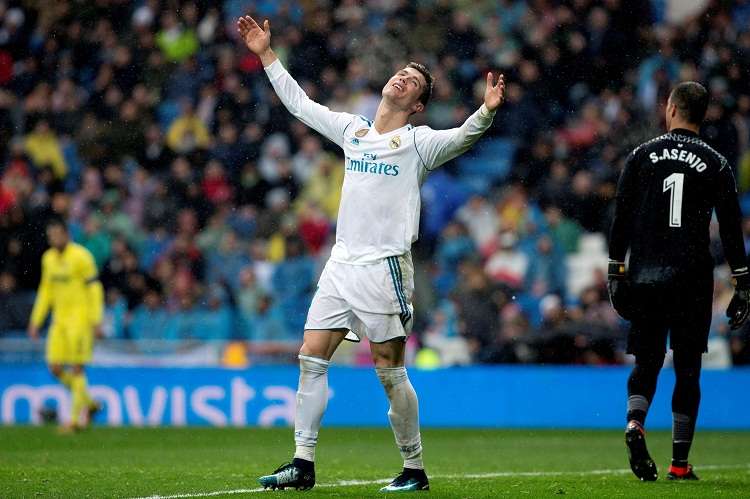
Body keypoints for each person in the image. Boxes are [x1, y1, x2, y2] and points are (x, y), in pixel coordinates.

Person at [237, 15, 505, 492]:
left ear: (418, 104)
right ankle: (302, 463)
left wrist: (484, 112)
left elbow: (463, 136)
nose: (402, 77)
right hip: (341, 264)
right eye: (401, 71)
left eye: (414, 82)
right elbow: (300, 105)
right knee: (310, 357)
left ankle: (414, 468)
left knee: (389, 370)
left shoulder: (418, 144)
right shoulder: (353, 131)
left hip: (385, 268)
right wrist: (266, 55)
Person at [608, 82, 750, 481]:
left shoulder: (641, 155)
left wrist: (616, 269)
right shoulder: (717, 162)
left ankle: (635, 422)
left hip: (647, 273)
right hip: (692, 276)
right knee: (688, 370)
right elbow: (732, 228)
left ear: (670, 108)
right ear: (701, 115)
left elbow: (621, 217)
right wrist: (743, 281)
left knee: (647, 360)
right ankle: (679, 463)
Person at [27, 219, 104, 432]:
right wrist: (36, 320)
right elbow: (45, 291)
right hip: (59, 322)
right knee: (55, 368)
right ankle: (89, 404)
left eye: (57, 235)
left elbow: (94, 289)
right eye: (50, 236)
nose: (53, 239)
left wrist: (96, 320)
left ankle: (73, 421)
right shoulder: (48, 259)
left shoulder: (81, 257)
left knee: (77, 369)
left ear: (66, 235)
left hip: (80, 320)